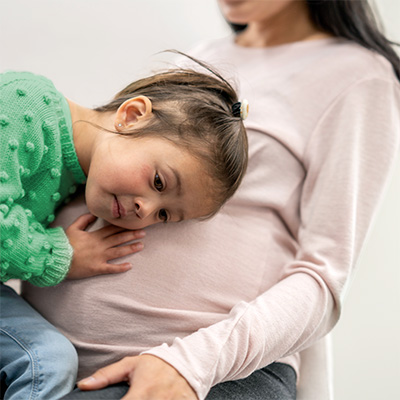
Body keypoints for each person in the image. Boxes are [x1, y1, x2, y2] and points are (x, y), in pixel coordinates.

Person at [22, 0, 400, 399]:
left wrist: (190, 363)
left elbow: (324, 277)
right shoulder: (207, 56)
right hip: (39, 361)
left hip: (198, 373)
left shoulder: (358, 77)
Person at [0, 63, 248, 399]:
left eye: (163, 215)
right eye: (159, 182)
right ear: (131, 116)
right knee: (43, 362)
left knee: (50, 361)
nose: (145, 211)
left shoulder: (82, 181)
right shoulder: (22, 103)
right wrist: (60, 256)